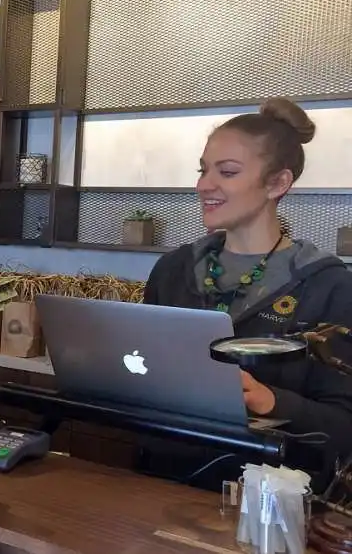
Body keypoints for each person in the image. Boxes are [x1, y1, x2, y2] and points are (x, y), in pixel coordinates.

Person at [142, 97, 352, 485]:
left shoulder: (328, 284)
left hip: (269, 505)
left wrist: (269, 401)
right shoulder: (173, 270)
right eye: (203, 170)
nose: (205, 185)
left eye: (228, 172)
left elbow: (343, 427)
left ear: (278, 183)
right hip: (162, 484)